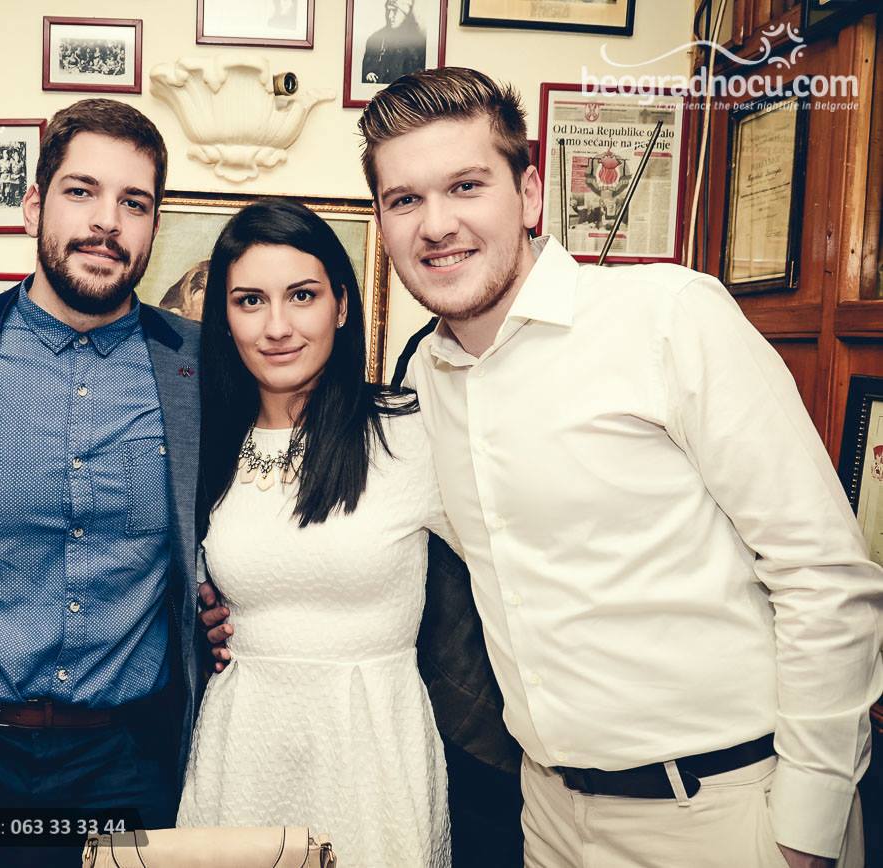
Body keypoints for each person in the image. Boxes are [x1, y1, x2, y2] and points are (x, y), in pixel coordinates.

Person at [359, 66, 882, 868]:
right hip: (549, 815)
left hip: (723, 813)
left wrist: (805, 827)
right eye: (404, 199)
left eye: (466, 185)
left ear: (529, 194)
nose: (436, 224)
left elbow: (822, 572)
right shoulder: (426, 377)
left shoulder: (667, 317)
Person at [0, 98, 205, 868]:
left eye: (134, 203)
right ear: (34, 205)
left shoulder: (197, 365)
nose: (107, 222)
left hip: (127, 763)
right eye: (81, 191)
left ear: (154, 226)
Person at [175, 198, 453, 866]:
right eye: (250, 301)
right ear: (224, 319)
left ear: (342, 305)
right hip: (242, 750)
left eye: (302, 295)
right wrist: (195, 619)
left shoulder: (410, 432)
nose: (277, 327)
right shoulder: (204, 442)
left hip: (371, 755)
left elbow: (518, 565)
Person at [362, 0, 426, 85]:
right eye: (388, 10)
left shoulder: (418, 43)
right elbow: (366, 69)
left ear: (405, 14)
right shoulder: (374, 39)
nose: (389, 16)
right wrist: (369, 74)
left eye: (394, 10)